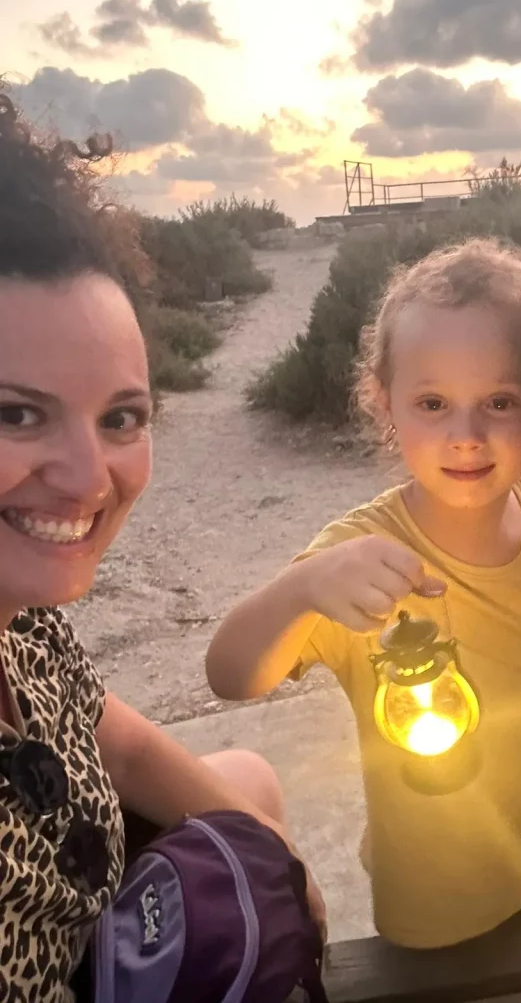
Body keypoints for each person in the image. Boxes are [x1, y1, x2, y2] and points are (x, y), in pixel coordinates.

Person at [0, 93, 324, 1003]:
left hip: (96, 930)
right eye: (16, 413)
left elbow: (124, 745)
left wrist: (285, 867)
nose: (86, 476)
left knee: (247, 782)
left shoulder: (21, 624)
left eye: (120, 418)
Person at [206, 239, 521, 949]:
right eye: (434, 403)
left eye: (501, 401)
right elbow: (229, 676)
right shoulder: (357, 559)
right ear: (384, 403)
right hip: (430, 911)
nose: (467, 436)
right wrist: (301, 589)